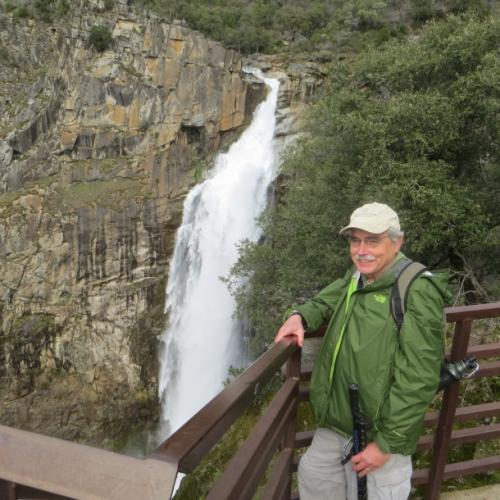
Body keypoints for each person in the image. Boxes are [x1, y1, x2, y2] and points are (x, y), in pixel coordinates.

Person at [274, 202, 451, 500]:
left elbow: (420, 378)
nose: (361, 249)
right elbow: (325, 301)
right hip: (338, 421)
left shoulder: (416, 290)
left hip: (380, 433)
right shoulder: (357, 277)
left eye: (372, 240)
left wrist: (385, 445)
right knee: (313, 475)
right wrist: (299, 316)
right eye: (355, 240)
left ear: (397, 242)